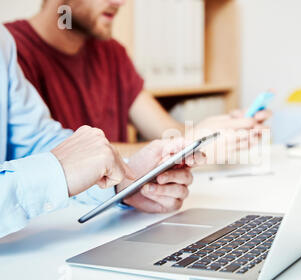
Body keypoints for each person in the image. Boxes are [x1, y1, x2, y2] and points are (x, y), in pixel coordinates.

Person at [0, 25, 203, 239]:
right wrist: (57, 172)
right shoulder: (23, 43)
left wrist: (122, 182)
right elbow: (54, 166)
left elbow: (37, 144)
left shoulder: (3, 42)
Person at [5, 0, 272, 156]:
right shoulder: (11, 51)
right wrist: (189, 145)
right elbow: (53, 158)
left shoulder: (112, 54)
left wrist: (218, 131)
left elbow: (167, 131)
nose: (120, 2)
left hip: (120, 209)